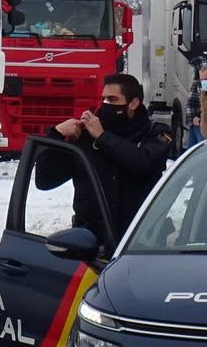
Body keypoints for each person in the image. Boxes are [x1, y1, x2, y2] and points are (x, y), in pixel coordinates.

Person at [35, 73, 174, 238]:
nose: (106, 105)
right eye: (104, 99)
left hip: (140, 241)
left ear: (134, 103)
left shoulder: (155, 133)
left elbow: (142, 162)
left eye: (113, 100)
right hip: (92, 242)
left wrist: (102, 137)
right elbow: (45, 180)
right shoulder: (87, 137)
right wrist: (56, 135)